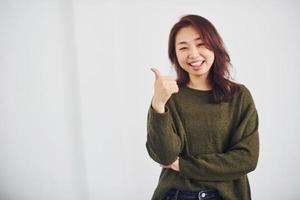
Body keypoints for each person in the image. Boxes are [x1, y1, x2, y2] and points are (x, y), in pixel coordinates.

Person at [146, 15, 259, 200]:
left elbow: (247, 158)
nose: (193, 54)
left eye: (201, 44)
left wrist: (183, 165)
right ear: (175, 55)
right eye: (183, 47)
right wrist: (158, 104)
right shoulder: (168, 96)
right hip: (176, 194)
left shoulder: (239, 96)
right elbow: (164, 156)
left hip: (226, 195)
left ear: (215, 46)